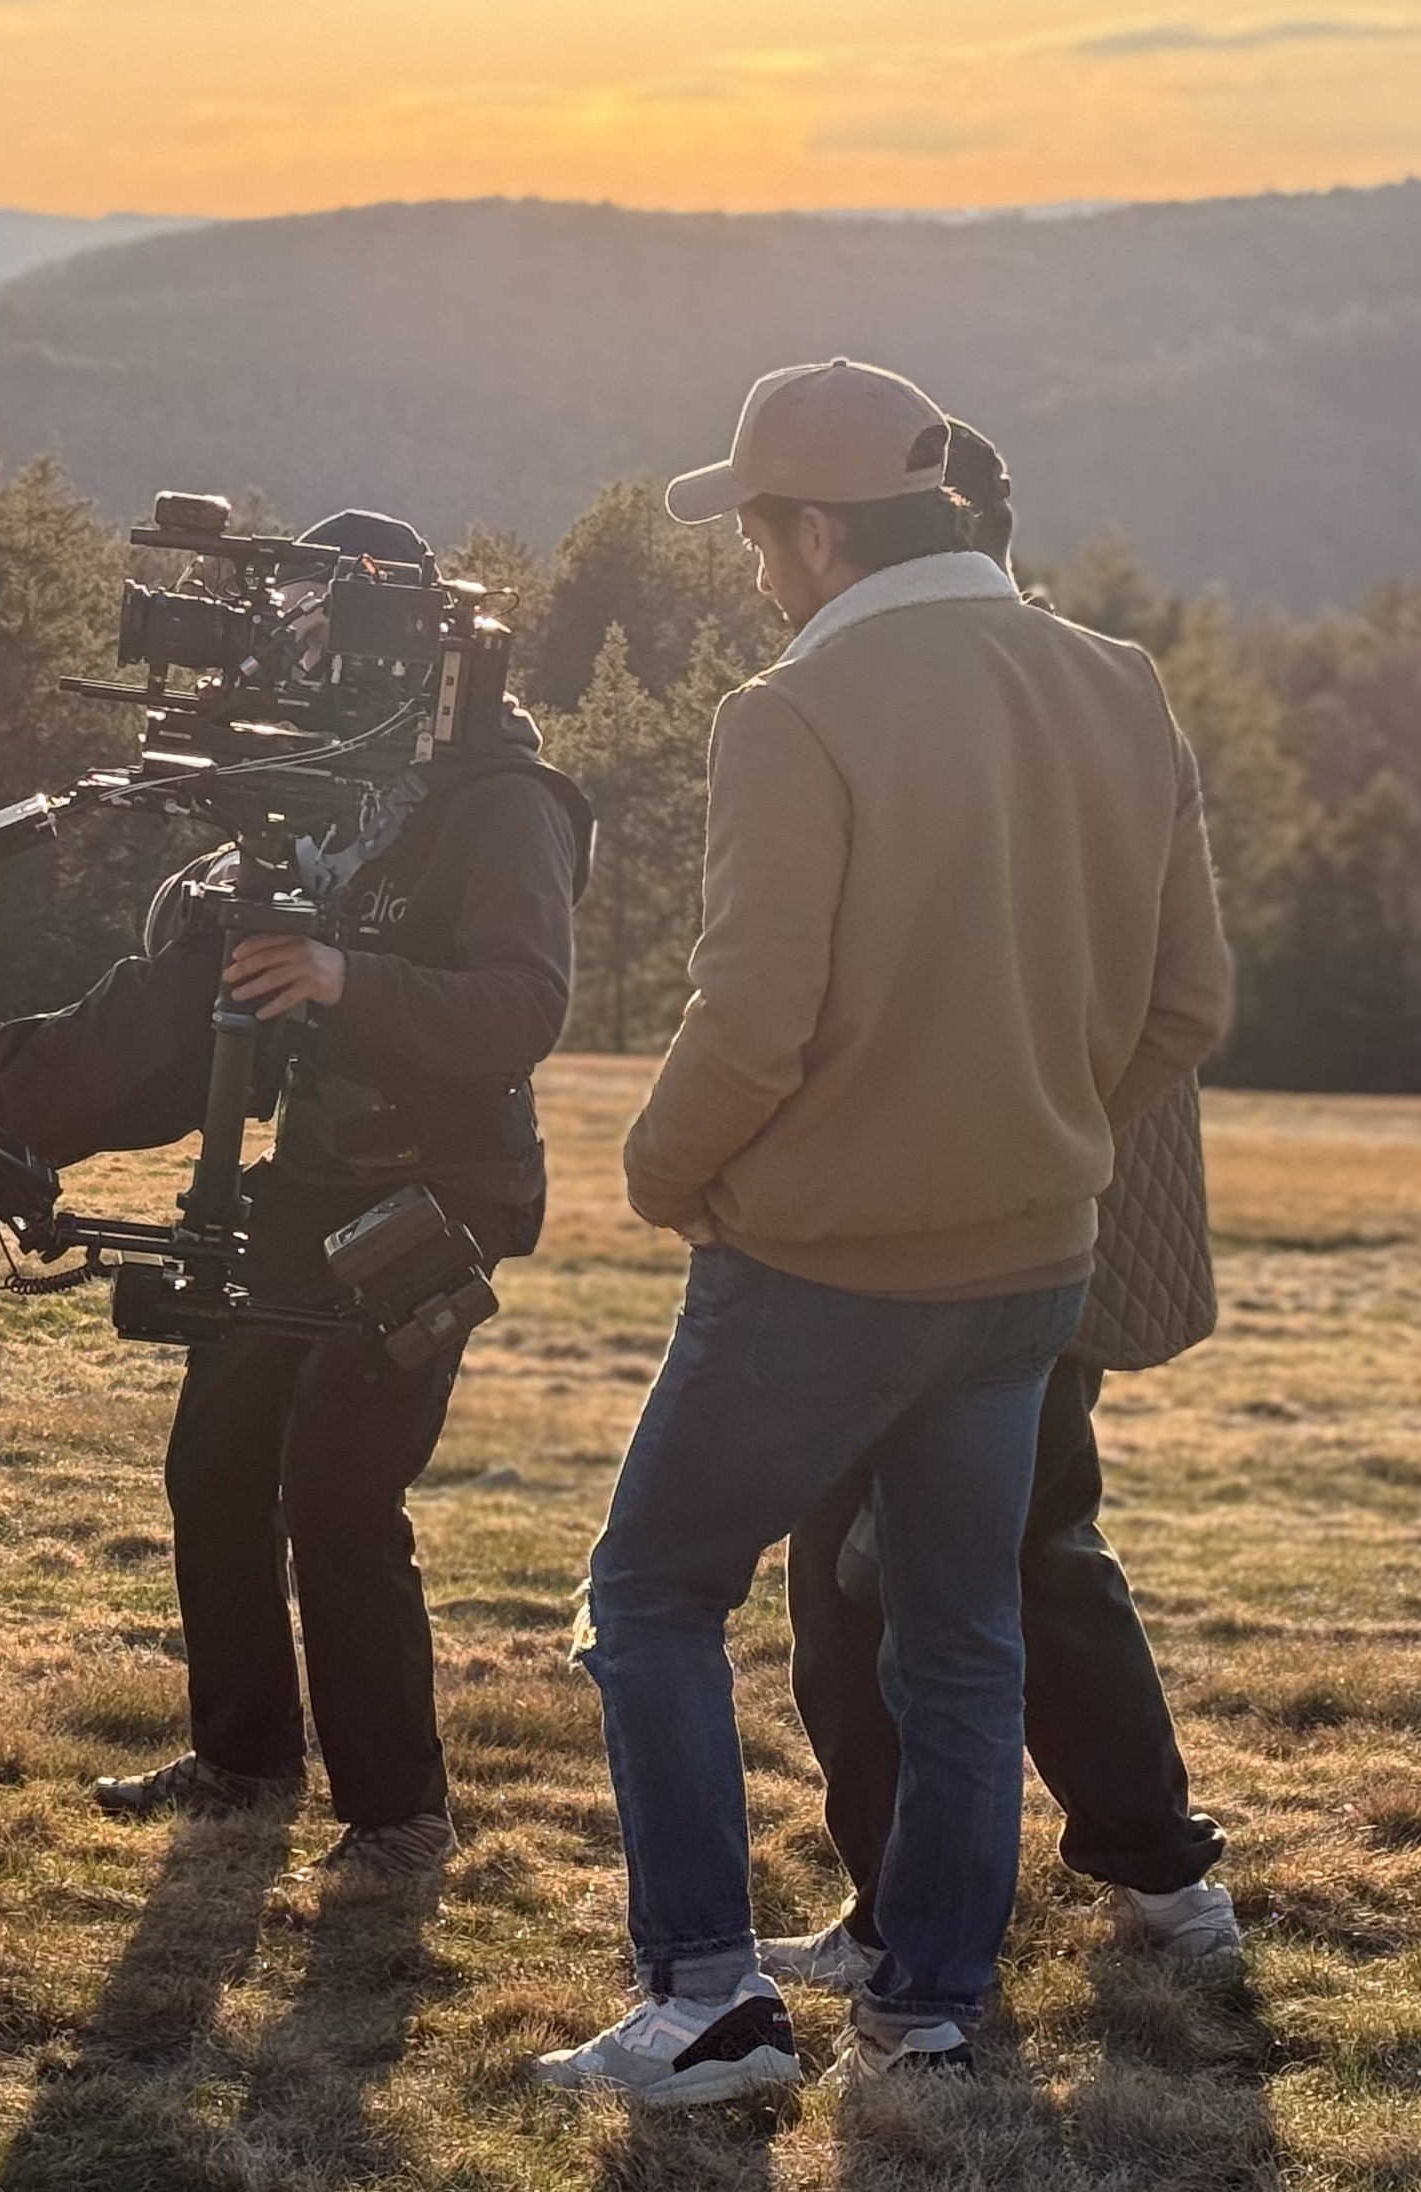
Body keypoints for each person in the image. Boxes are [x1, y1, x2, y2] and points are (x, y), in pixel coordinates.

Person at [538, 364, 1232, 2101]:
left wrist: (660, 1169)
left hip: (821, 1267)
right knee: (965, 1636)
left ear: (821, 528)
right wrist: (1052, 1123)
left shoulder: (798, 708)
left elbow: (753, 1015)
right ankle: (924, 2010)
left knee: (649, 1596)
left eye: (760, 532)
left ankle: (702, 1998)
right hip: (1028, 1264)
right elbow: (1188, 1000)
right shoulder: (1118, 684)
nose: (753, 569)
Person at [0, 509, 591, 1885]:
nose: (300, 650)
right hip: (310, 1176)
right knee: (216, 1464)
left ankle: (399, 1817)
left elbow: (525, 1006)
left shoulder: (501, 802)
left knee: (339, 1493)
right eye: (289, 620)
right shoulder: (330, 800)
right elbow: (207, 1035)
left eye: (320, 624)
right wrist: (24, 1121)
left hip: (437, 1190)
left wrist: (345, 980)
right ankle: (245, 1759)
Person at [761, 422, 1241, 1995]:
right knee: (954, 1541)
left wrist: (1034, 1133)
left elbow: (1162, 998)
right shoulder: (1091, 687)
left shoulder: (980, 701)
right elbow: (1182, 997)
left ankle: (1115, 1876)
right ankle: (1028, 1888)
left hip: (1009, 1219)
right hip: (1026, 1202)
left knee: (967, 1547)